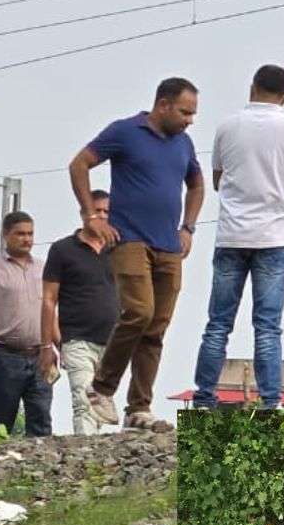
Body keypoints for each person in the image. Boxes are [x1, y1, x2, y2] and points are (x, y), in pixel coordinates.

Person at [68, 77, 205, 432]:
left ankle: (139, 407)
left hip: (169, 247)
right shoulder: (125, 132)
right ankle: (101, 388)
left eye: (193, 114)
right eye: (185, 112)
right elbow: (79, 164)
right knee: (139, 312)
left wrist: (188, 227)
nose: (190, 120)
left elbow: (197, 184)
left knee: (157, 326)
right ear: (163, 105)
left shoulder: (184, 144)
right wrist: (91, 216)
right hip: (129, 240)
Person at [192, 64, 284, 410]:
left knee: (218, 323)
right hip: (274, 239)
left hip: (231, 235)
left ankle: (204, 399)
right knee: (267, 326)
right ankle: (271, 401)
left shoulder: (227, 127)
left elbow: (217, 179)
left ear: (252, 88)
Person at [39, 190, 118, 435]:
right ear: (85, 213)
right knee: (84, 403)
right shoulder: (63, 250)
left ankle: (104, 464)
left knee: (104, 406)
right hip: (76, 340)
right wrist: (47, 346)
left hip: (115, 343)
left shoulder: (120, 249)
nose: (102, 216)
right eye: (97, 211)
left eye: (107, 211)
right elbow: (49, 299)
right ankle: (88, 460)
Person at [0, 211, 52, 436]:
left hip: (39, 355)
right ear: (6, 235)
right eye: (20, 234)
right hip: (3, 356)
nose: (27, 239)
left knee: (41, 417)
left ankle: (40, 465)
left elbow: (50, 309)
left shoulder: (43, 269)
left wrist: (56, 345)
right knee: (2, 421)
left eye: (30, 234)